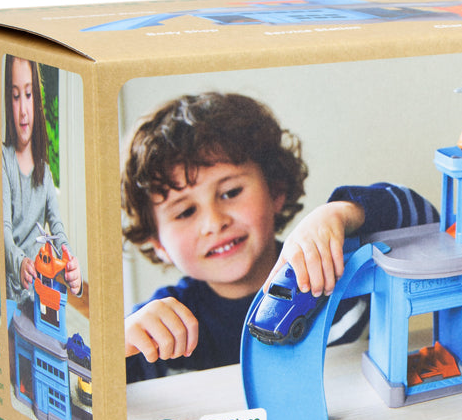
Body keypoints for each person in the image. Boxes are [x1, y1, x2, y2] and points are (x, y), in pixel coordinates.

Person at [122, 92, 436, 382]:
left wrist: (342, 213)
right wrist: (117, 345)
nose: (214, 223)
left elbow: (429, 226)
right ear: (158, 244)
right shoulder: (155, 327)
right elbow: (101, 400)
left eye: (231, 192)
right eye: (185, 212)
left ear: (275, 191)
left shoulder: (334, 267)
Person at [1, 55, 82, 304]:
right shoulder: (2, 159)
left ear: (37, 99)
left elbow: (57, 229)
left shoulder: (45, 173)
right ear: (8, 101)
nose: (23, 111)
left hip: (37, 290)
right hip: (10, 289)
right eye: (16, 97)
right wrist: (20, 263)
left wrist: (70, 264)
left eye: (28, 95)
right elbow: (4, 229)